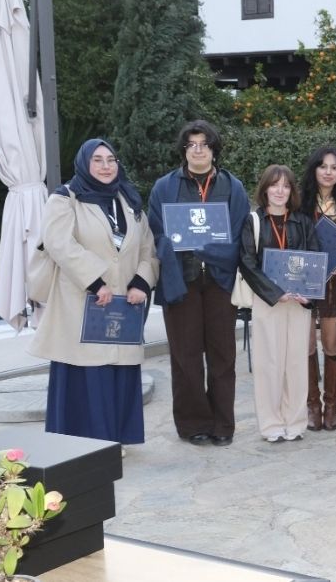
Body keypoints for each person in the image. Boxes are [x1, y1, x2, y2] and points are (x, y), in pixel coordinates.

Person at [30, 139, 157, 446]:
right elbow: (59, 243)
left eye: (111, 160)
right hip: (81, 301)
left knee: (118, 372)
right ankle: (86, 444)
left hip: (122, 304)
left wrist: (142, 282)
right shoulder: (65, 199)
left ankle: (115, 439)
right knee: (88, 375)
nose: (105, 166)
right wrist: (95, 281)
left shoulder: (129, 200)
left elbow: (148, 248)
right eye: (97, 160)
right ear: (84, 164)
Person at [147, 120, 251, 447]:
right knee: (185, 357)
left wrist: (212, 251)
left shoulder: (232, 187)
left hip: (220, 281)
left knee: (223, 356)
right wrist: (176, 242)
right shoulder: (165, 187)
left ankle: (222, 424)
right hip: (181, 281)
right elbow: (155, 232)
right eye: (191, 144)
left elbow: (241, 235)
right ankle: (193, 424)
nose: (198, 150)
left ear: (214, 150)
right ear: (184, 150)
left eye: (204, 144)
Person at [238, 165, 319, 442]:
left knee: (296, 363)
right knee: (269, 363)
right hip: (268, 301)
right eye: (274, 185)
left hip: (298, 302)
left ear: (292, 191)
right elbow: (247, 262)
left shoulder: (303, 221)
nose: (280, 191)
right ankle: (271, 424)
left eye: (285, 185)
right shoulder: (253, 221)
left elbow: (314, 257)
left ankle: (295, 421)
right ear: (265, 189)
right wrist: (275, 293)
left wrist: (308, 293)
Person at [301, 146, 336, 431]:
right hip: (305, 284)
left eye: (334, 167)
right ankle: (312, 405)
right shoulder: (300, 204)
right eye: (323, 166)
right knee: (306, 344)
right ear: (314, 170)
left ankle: (331, 405)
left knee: (332, 343)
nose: (329, 172)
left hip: (333, 284)